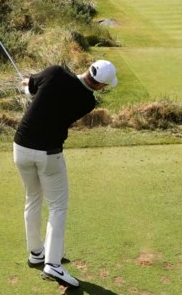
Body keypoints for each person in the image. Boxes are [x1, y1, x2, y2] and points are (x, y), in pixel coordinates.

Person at [13, 60, 118, 289]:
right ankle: (52, 263)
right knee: (58, 207)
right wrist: (32, 88)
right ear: (101, 86)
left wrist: (27, 85)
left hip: (20, 147)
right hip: (49, 154)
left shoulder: (55, 72)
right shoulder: (87, 102)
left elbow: (30, 89)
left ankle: (36, 254)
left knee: (33, 198)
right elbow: (49, 97)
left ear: (89, 67)